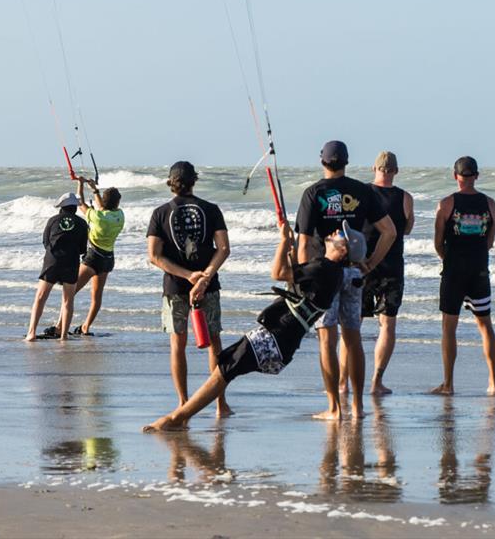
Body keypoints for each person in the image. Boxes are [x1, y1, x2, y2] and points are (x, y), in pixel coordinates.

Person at [142, 219, 366, 432]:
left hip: (276, 337)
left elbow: (277, 273)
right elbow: (296, 279)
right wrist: (289, 246)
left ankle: (176, 418)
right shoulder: (331, 272)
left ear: (343, 250)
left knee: (225, 370)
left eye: (341, 235)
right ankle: (181, 416)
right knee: (226, 368)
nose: (335, 232)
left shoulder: (324, 268)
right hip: (280, 340)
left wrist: (283, 242)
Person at [295, 140, 396, 420]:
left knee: (327, 341)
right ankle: (358, 407)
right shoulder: (361, 190)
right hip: (353, 272)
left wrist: (303, 279)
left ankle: (334, 408)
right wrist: (371, 264)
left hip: (324, 273)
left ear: (322, 161)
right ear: (346, 162)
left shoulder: (313, 193)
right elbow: (389, 232)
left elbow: (303, 244)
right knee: (353, 340)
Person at [147, 161, 232, 418]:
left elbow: (154, 256)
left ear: (170, 182)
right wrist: (204, 277)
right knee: (214, 343)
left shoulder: (161, 213)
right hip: (208, 286)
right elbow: (224, 248)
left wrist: (188, 275)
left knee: (178, 344)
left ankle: (183, 402)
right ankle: (220, 404)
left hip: (175, 286)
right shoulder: (211, 209)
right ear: (194, 180)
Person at [431, 156, 495, 396]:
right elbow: (489, 241)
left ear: (455, 176)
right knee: (485, 325)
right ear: (476, 176)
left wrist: (449, 258)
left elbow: (438, 241)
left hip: (454, 271)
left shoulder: (446, 204)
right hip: (480, 269)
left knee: (449, 328)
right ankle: (493, 381)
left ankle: (448, 384)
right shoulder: (490, 204)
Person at [362, 151, 415, 395]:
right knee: (387, 325)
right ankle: (376, 381)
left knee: (352, 323)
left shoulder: (362, 193)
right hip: (391, 265)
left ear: (374, 168)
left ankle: (343, 383)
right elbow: (406, 228)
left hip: (362, 264)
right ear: (396, 171)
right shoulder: (405, 197)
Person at [25, 192, 88, 341]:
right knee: (67, 301)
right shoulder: (81, 223)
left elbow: (46, 242)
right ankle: (64, 336)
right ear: (75, 208)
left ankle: (31, 333)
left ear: (61, 208)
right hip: (71, 263)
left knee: (40, 297)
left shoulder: (52, 220)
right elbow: (82, 249)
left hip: (52, 261)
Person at [70, 176, 125, 335]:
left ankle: (60, 325)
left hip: (92, 258)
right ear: (117, 203)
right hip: (107, 261)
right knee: (96, 297)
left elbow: (80, 203)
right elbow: (103, 208)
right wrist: (94, 190)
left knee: (70, 292)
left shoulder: (97, 217)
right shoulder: (120, 216)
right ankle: (85, 327)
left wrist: (80, 184)